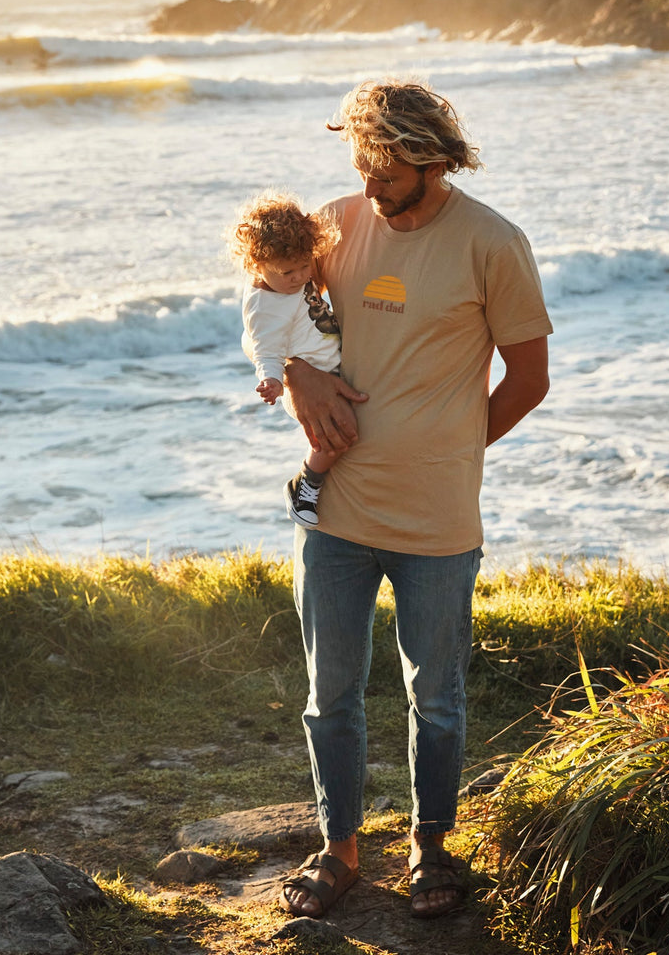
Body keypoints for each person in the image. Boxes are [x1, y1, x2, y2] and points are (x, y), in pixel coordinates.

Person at [277, 81, 553, 920]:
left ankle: (434, 848)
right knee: (330, 693)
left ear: (432, 159)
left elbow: (530, 379)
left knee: (435, 697)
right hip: (336, 513)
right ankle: (340, 848)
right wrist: (298, 378)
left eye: (386, 174)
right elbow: (269, 306)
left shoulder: (493, 243)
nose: (369, 189)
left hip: (437, 520)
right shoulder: (335, 223)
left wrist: (452, 450)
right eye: (361, 167)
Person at [229, 192, 344, 527]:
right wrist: (273, 380)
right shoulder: (263, 305)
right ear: (255, 265)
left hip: (331, 363)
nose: (299, 277)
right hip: (312, 378)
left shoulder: (290, 282)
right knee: (338, 434)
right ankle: (306, 486)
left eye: (305, 265)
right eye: (287, 271)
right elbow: (264, 347)